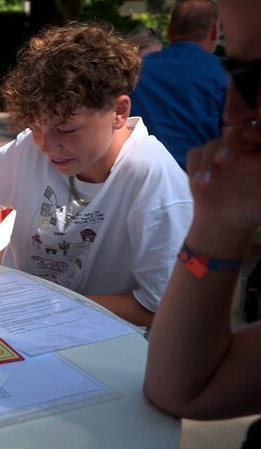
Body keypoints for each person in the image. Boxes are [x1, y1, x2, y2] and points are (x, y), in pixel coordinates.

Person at [0, 22, 193, 328]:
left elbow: (159, 306)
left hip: (95, 339)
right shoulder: (33, 146)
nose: (48, 147)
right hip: (14, 313)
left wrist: (53, 301)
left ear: (119, 112)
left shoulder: (156, 182)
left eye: (66, 130)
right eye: (35, 129)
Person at [144, 0, 261, 428]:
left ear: (171, 29)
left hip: (160, 197)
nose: (234, 110)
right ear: (213, 33)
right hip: (201, 196)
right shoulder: (210, 75)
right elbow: (187, 389)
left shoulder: (143, 68)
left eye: (250, 76)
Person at [130, 0, 227, 170]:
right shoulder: (227, 74)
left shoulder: (133, 71)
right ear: (214, 31)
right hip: (202, 183)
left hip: (145, 181)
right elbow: (233, 143)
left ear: (169, 31)